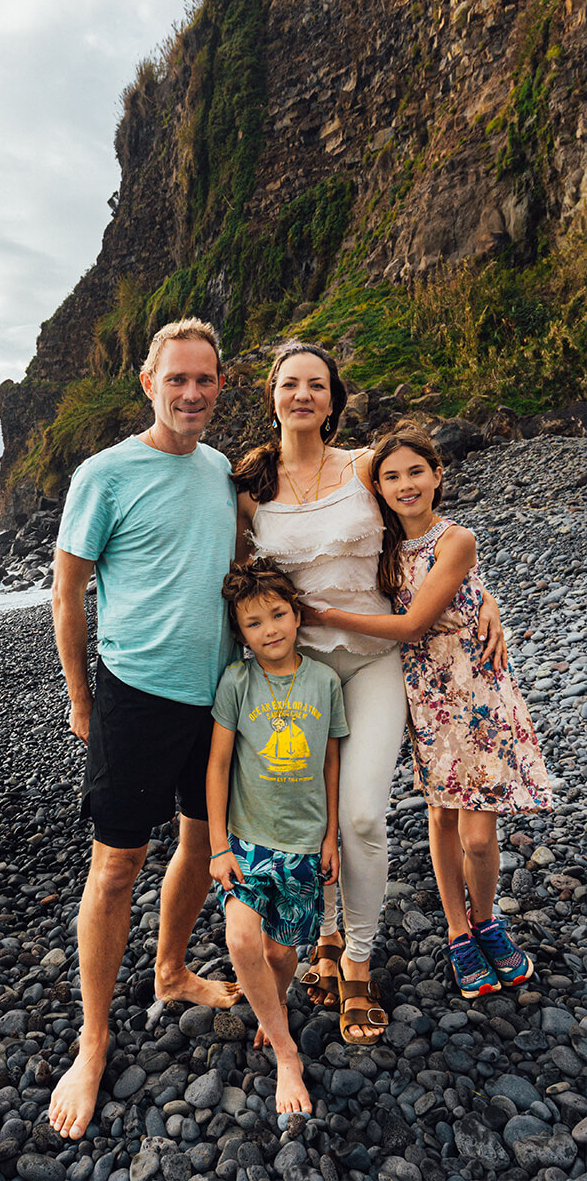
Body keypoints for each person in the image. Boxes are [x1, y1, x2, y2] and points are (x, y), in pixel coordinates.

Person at [233, 343, 507, 1042]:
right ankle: (323, 937)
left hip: (377, 659)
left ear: (332, 399)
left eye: (315, 385)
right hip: (299, 677)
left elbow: (427, 529)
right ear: (273, 394)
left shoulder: (361, 465)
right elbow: (229, 575)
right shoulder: (247, 487)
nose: (302, 395)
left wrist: (484, 597)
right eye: (290, 384)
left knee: (359, 818)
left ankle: (357, 960)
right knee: (310, 813)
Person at [48, 318, 240, 1140]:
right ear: (149, 382)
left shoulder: (224, 471)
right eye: (176, 380)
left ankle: (169, 970)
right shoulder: (105, 473)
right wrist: (81, 700)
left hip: (217, 699)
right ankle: (92, 1041)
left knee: (200, 843)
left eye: (204, 380)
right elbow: (67, 592)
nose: (190, 393)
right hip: (134, 693)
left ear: (220, 386)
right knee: (118, 866)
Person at [314, 421, 551, 998]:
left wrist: (322, 614)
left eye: (416, 471)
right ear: (381, 488)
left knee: (477, 833)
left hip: (478, 691)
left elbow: (416, 621)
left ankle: (487, 919)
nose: (404, 484)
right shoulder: (384, 544)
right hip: (426, 691)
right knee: (441, 815)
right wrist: (486, 596)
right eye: (391, 476)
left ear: (438, 475)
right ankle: (456, 929)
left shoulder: (457, 539)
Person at [207, 558, 347, 1112]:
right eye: (253, 623)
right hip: (245, 840)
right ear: (238, 633)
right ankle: (287, 1053)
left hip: (304, 844)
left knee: (281, 953)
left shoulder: (325, 680)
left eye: (278, 615)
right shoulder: (237, 681)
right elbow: (218, 766)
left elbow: (331, 762)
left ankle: (276, 1003)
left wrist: (331, 834)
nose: (270, 630)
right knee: (242, 940)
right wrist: (218, 844)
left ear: (296, 615)